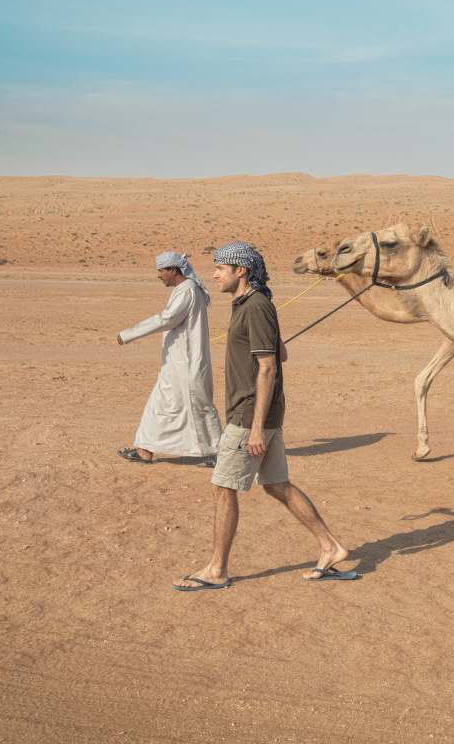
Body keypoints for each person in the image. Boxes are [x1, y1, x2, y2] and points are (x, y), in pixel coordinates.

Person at [172, 242, 354, 591]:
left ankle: (216, 570)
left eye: (220, 268)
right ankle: (331, 547)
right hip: (263, 413)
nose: (214, 274)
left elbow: (269, 367)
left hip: (250, 415)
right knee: (276, 485)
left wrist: (255, 428)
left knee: (224, 486)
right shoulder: (253, 305)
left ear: (240, 271)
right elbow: (280, 353)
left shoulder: (255, 306)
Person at [117, 251, 222, 465]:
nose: (159, 275)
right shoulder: (185, 290)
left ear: (173, 270)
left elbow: (167, 319)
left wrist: (128, 334)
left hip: (186, 363)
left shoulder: (188, 291)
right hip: (177, 363)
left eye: (161, 270)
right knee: (162, 405)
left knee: (198, 405)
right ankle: (145, 449)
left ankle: (218, 453)